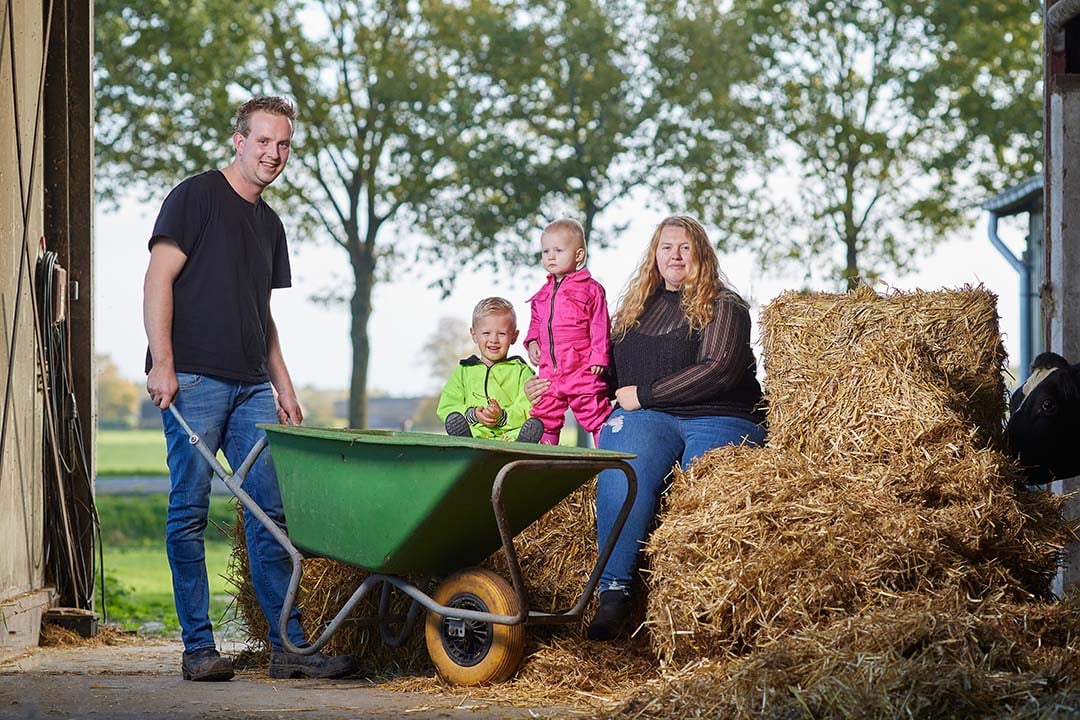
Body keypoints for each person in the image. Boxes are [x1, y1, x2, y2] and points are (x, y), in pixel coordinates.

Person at [143, 96, 356, 682]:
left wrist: (284, 387)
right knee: (188, 511)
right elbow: (158, 278)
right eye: (264, 141)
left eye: (283, 144)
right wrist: (163, 362)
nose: (274, 154)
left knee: (271, 516)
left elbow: (261, 314)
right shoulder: (196, 197)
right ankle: (198, 650)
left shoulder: (270, 224)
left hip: (252, 388)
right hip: (192, 380)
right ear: (238, 141)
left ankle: (290, 650)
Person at [529, 215, 767, 641]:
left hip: (720, 414)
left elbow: (717, 370)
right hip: (649, 417)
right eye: (665, 248)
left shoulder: (726, 305)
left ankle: (698, 605)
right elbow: (604, 370)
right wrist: (552, 381)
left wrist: (647, 394)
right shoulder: (636, 310)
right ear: (654, 256)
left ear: (702, 255)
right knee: (624, 468)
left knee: (701, 490)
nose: (674, 256)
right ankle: (614, 592)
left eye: (685, 248)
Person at [523, 219, 612, 445]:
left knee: (595, 411)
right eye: (546, 251)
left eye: (558, 250)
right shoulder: (542, 293)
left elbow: (600, 325)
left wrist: (599, 356)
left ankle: (609, 455)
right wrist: (533, 341)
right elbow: (535, 321)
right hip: (549, 371)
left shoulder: (591, 289)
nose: (551, 256)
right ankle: (544, 458)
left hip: (581, 367)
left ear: (579, 255)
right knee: (545, 412)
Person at [438, 297, 544, 442]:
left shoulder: (521, 371)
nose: (494, 339)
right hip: (475, 432)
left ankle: (522, 444)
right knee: (462, 423)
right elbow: (447, 405)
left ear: (514, 336)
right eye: (486, 333)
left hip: (510, 435)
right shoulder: (463, 371)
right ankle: (466, 442)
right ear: (474, 334)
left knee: (528, 424)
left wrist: (502, 416)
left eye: (501, 334)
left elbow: (528, 407)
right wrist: (473, 414)